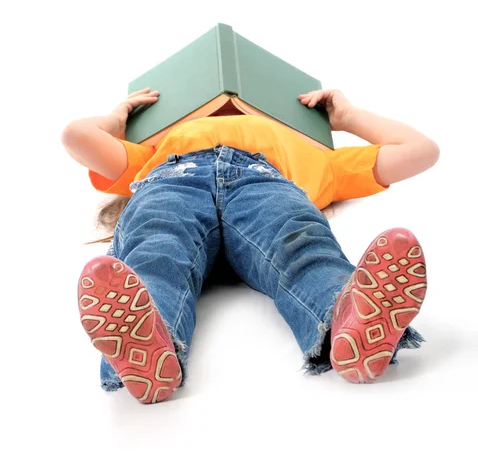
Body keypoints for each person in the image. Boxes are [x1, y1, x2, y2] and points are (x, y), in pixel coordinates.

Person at [61, 87, 440, 404]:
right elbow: (76, 135)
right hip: (172, 181)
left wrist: (346, 117)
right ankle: (151, 343)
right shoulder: (154, 148)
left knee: (302, 247)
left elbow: (421, 150)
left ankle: (349, 319)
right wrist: (119, 119)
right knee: (157, 250)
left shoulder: (319, 157)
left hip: (266, 184)